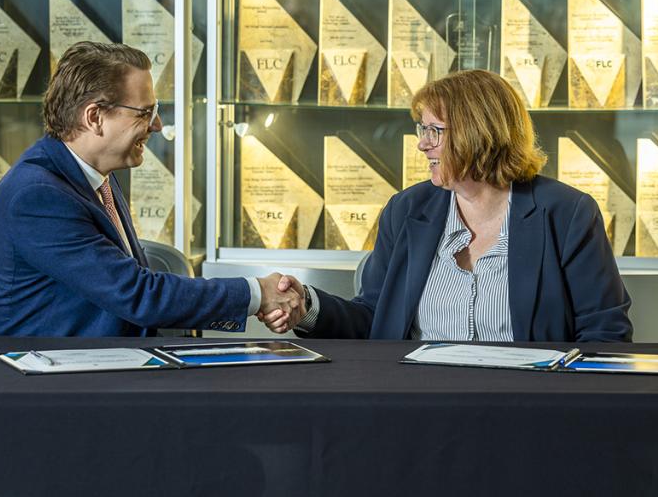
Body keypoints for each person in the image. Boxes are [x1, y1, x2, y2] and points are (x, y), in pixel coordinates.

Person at [262, 69, 632, 342]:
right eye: (422, 131)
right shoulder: (406, 210)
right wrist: (306, 305)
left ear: (479, 133)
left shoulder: (568, 214)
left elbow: (605, 334)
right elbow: (374, 317)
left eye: (433, 131)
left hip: (527, 414)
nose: (423, 145)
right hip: (418, 409)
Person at [0, 41, 299, 336]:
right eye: (145, 113)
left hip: (103, 368)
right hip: (41, 385)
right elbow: (138, 295)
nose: (157, 125)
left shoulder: (97, 176)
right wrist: (258, 293)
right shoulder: (35, 196)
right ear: (94, 117)